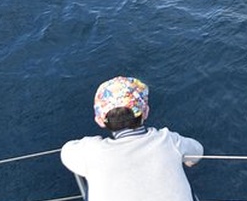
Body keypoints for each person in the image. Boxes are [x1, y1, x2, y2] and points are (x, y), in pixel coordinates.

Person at [60, 76, 204, 201]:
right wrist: (189, 160)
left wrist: (92, 143)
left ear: (99, 120)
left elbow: (66, 151)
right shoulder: (169, 140)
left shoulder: (90, 152)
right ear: (146, 112)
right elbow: (198, 151)